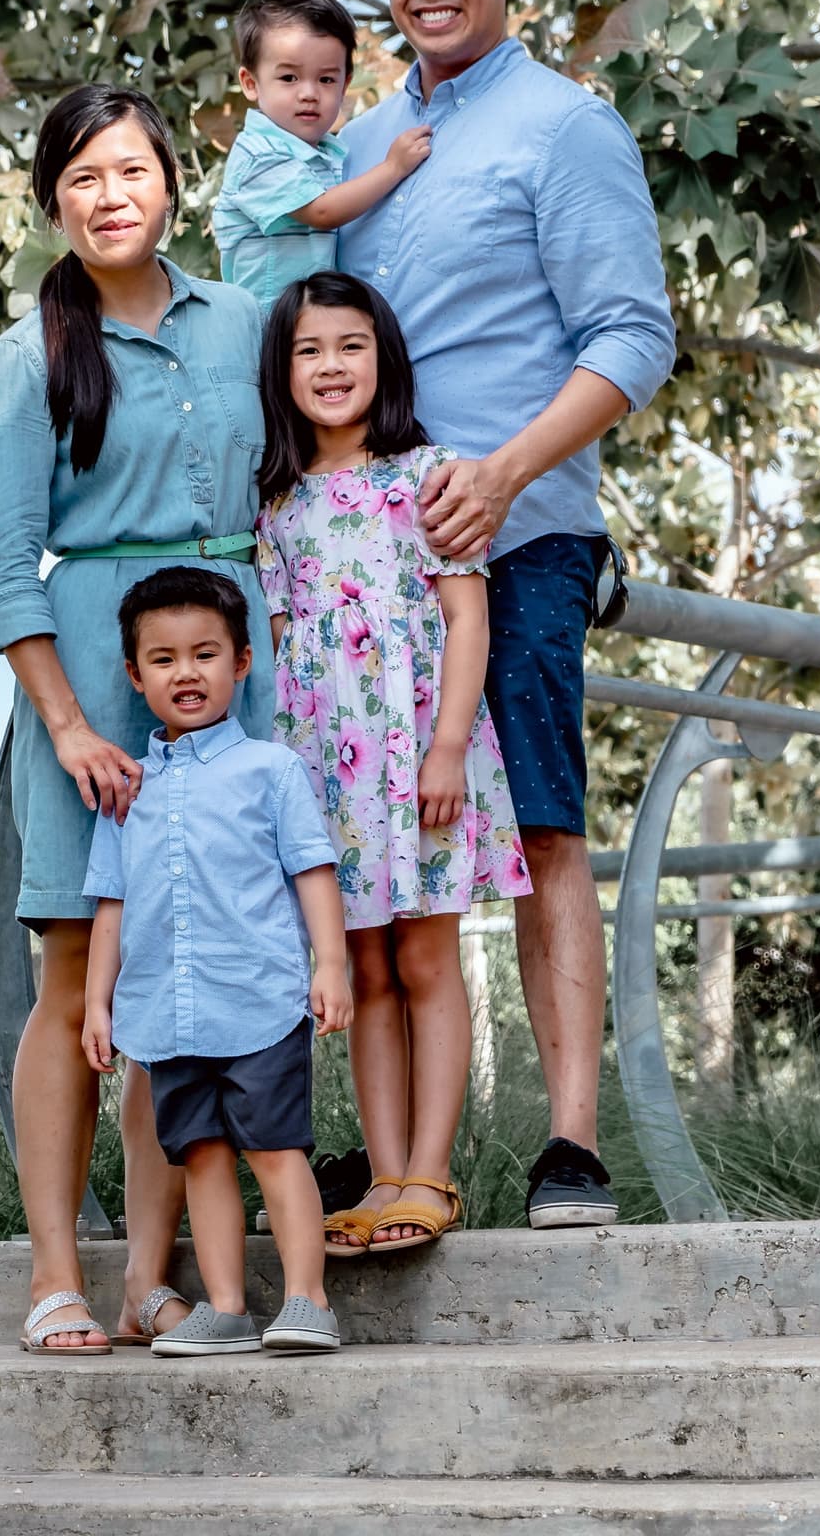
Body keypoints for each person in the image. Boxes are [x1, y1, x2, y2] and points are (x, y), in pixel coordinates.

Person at [336, 0, 676, 1228]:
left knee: (535, 827)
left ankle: (572, 1146)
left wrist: (510, 471)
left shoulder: (566, 129)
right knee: (373, 836)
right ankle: (405, 1154)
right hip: (368, 557)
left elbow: (633, 339)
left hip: (521, 535)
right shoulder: (359, 142)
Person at [0, 83, 273, 1355]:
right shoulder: (24, 358)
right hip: (92, 676)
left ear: (169, 185)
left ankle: (151, 1279)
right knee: (78, 972)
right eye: (82, 178)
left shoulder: (247, 322)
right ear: (52, 202)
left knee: (190, 978)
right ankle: (55, 1277)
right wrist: (72, 723)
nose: (109, 196)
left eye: (131, 170)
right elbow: (0, 566)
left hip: (229, 664)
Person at [255, 272, 531, 1253]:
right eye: (309, 350)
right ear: (281, 370)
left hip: (420, 759)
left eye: (350, 346)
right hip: (329, 772)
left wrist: (450, 744)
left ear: (385, 357)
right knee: (363, 967)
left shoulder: (431, 478)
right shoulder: (277, 507)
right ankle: (381, 1179)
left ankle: (431, 1171)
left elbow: (466, 615)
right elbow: (287, 658)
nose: (331, 367)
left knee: (424, 956)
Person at [82, 567, 351, 1356]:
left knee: (274, 1150)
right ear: (135, 677)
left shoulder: (271, 771)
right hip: (165, 1013)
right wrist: (99, 1004)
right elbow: (111, 905)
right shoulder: (125, 790)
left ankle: (307, 1300)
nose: (186, 673)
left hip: (258, 1001)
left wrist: (329, 965)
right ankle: (226, 1307)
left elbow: (312, 870)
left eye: (205, 654)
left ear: (241, 662)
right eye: (163, 659)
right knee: (200, 1155)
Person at [213, 0, 433, 314]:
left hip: (310, 327)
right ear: (250, 83)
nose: (309, 93)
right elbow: (322, 212)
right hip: (263, 331)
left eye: (326, 80)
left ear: (346, 84)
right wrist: (393, 168)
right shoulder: (258, 154)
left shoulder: (332, 152)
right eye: (289, 78)